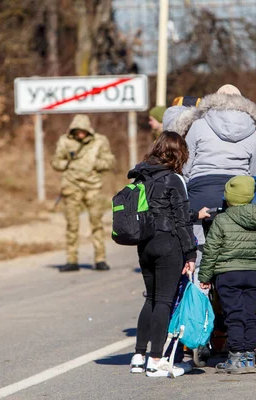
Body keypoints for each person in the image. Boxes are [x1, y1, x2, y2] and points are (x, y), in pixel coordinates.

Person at [176, 84, 256, 280]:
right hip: (236, 199)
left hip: (201, 195)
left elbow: (186, 167)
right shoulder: (254, 132)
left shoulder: (199, 125)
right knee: (232, 259)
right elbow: (255, 175)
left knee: (198, 259)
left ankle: (199, 303)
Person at [128, 131, 197, 378]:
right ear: (179, 154)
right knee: (164, 301)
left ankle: (138, 356)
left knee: (151, 298)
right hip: (168, 244)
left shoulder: (140, 175)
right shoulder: (174, 179)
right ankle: (156, 359)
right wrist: (190, 254)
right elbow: (180, 221)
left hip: (144, 244)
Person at [198, 176, 256, 374]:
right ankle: (249, 356)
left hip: (227, 274)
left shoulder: (221, 220)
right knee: (250, 315)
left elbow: (211, 250)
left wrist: (204, 276)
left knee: (234, 315)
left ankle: (236, 356)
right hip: (251, 273)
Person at [51, 114, 115, 272]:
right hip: (71, 186)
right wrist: (70, 163)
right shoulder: (65, 141)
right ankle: (71, 260)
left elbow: (110, 161)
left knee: (96, 223)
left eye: (83, 131)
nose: (80, 134)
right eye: (77, 131)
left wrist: (94, 164)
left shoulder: (99, 141)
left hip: (93, 186)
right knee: (72, 225)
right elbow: (56, 162)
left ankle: (100, 259)